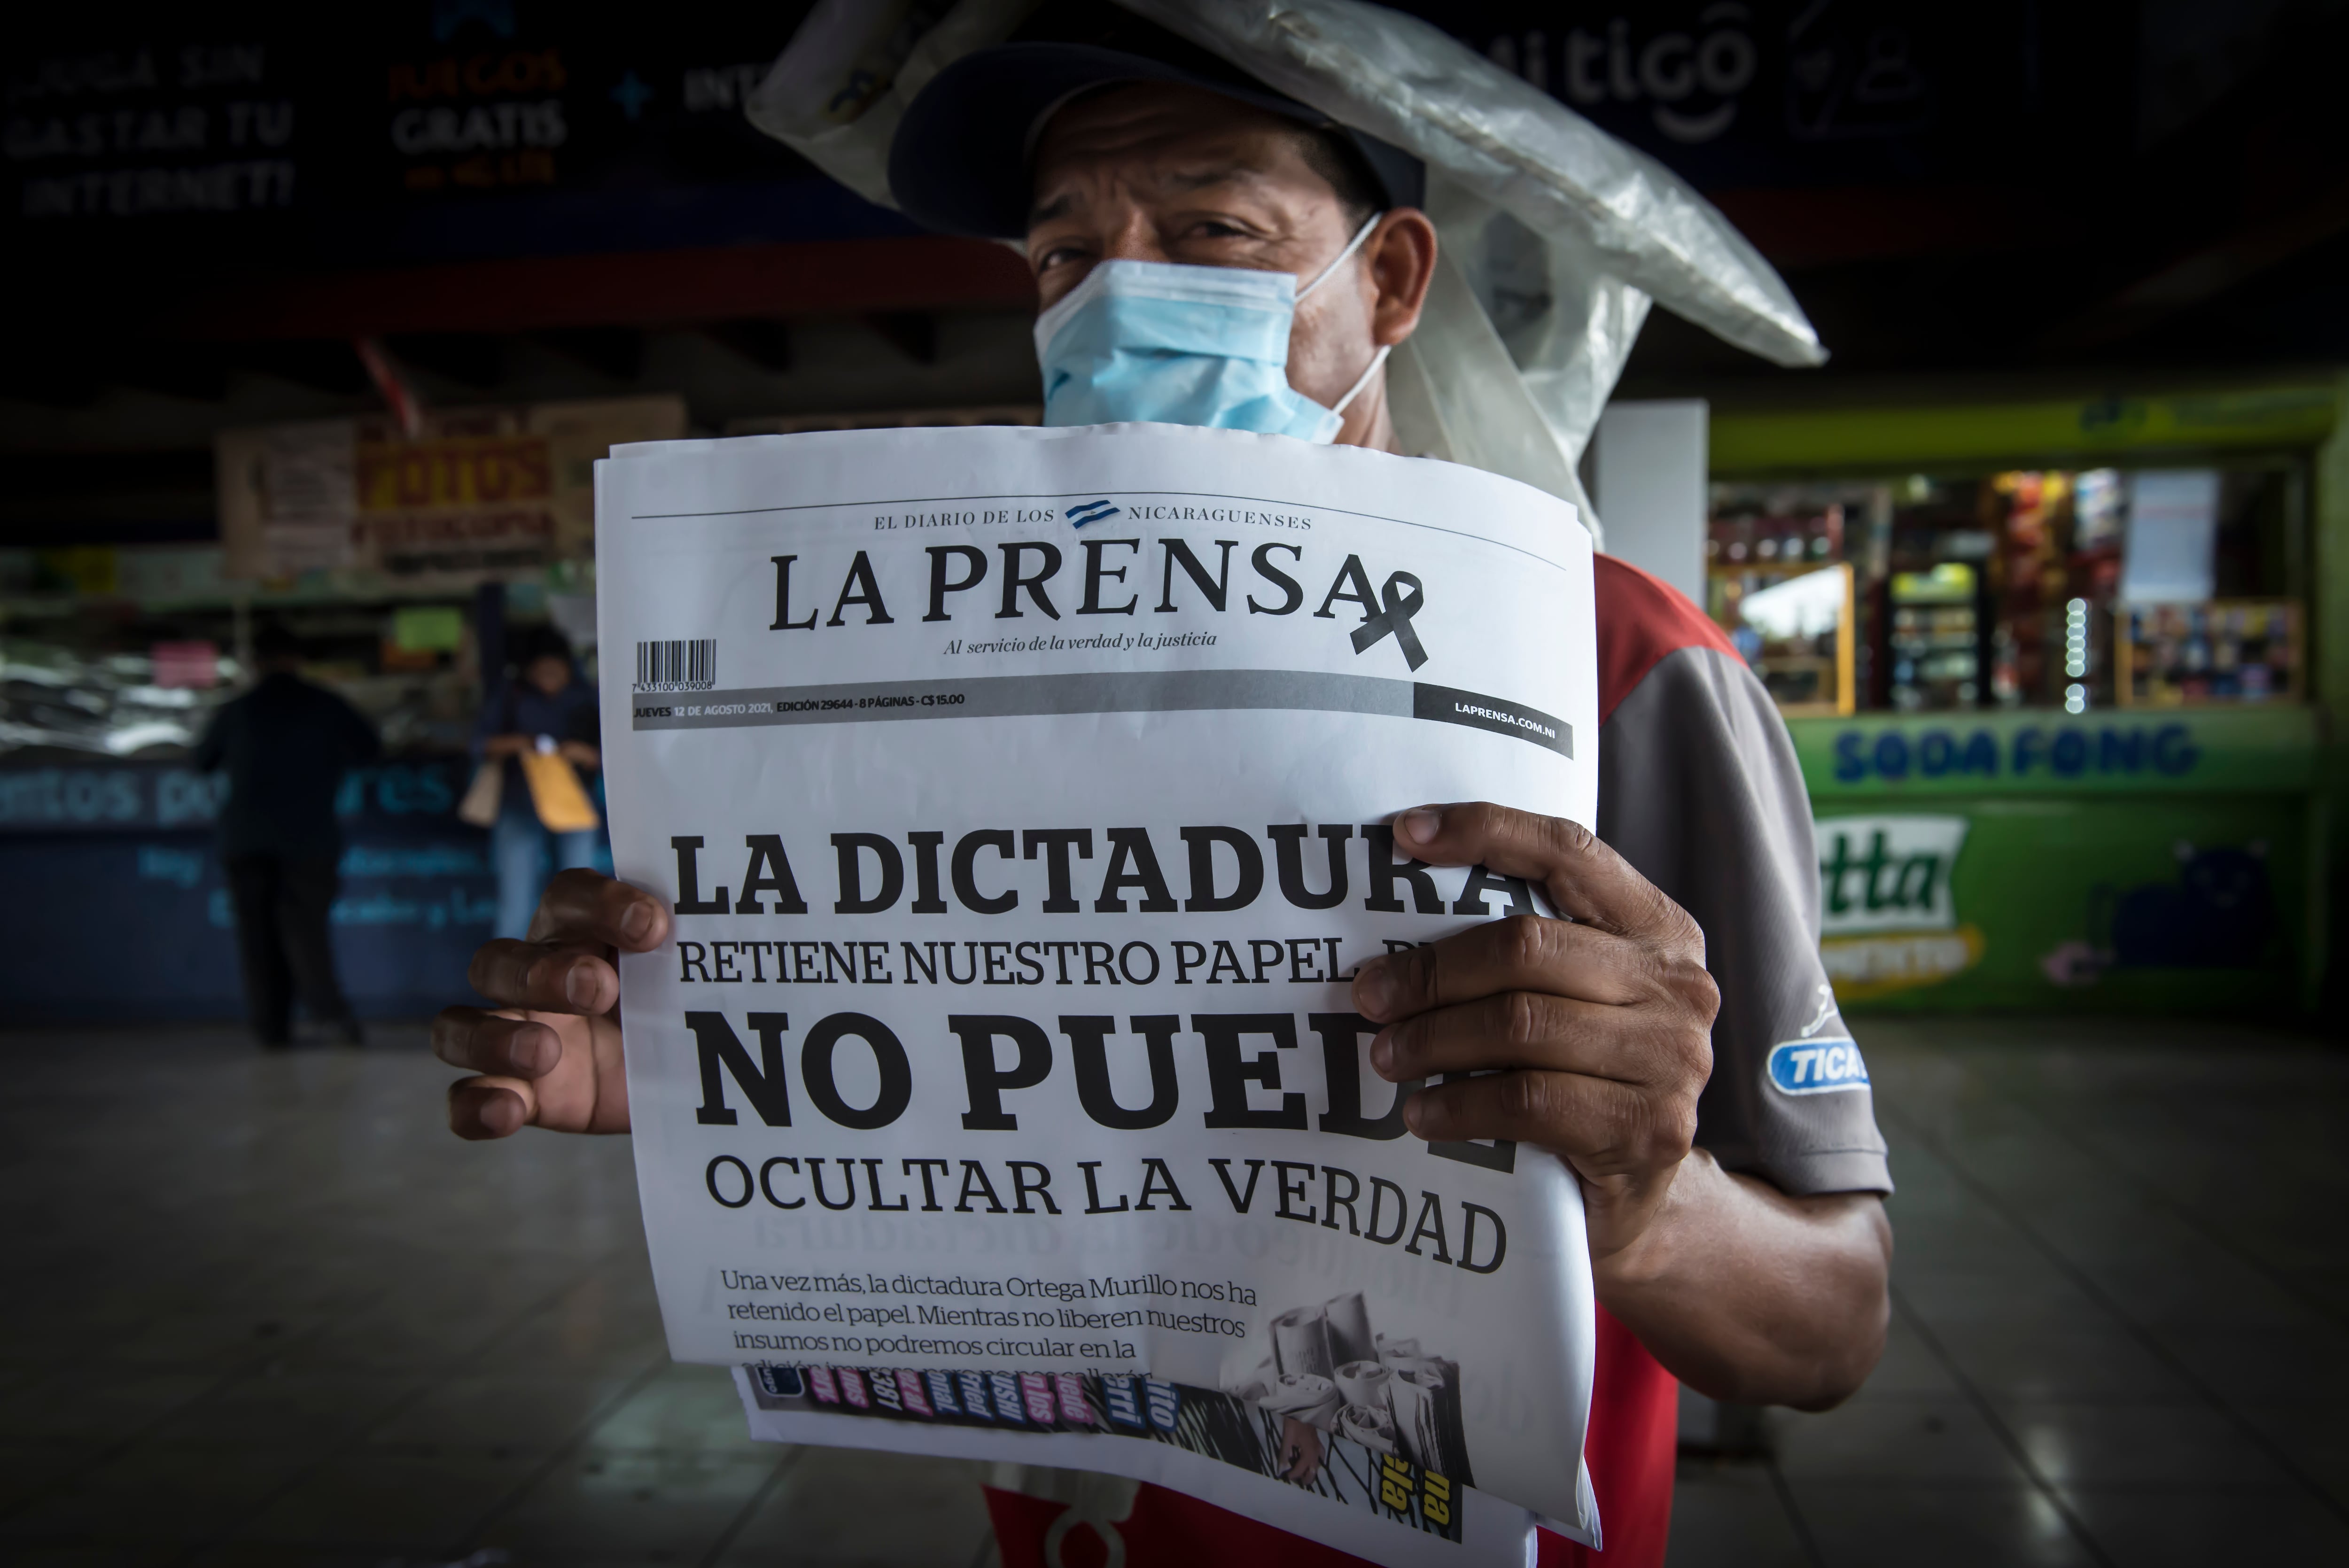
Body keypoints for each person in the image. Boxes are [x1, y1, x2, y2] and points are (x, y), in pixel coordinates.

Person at [432, 13, 1893, 1564]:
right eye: (1064, 256)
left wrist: (1651, 1201)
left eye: (1211, 229)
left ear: (1392, 280)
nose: (1120, 294)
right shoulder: (965, 651)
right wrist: (682, 1051)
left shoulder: (1617, 665)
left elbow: (1832, 1321)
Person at [194, 621, 379, 1048]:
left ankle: (271, 1029)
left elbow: (202, 760)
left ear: (255, 663)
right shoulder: (327, 706)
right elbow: (371, 750)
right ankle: (332, 1017)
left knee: (257, 938)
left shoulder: (238, 709)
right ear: (299, 660)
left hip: (246, 837)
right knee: (306, 931)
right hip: (308, 838)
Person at [473, 626, 604, 941]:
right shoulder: (511, 695)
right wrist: (522, 743)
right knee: (516, 902)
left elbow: (618, 754)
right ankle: (511, 983)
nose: (548, 678)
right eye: (540, 671)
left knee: (579, 899)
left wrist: (585, 753)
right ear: (528, 671)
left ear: (567, 668)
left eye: (554, 671)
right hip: (520, 804)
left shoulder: (587, 695)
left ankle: (579, 971)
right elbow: (480, 744)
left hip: (574, 806)